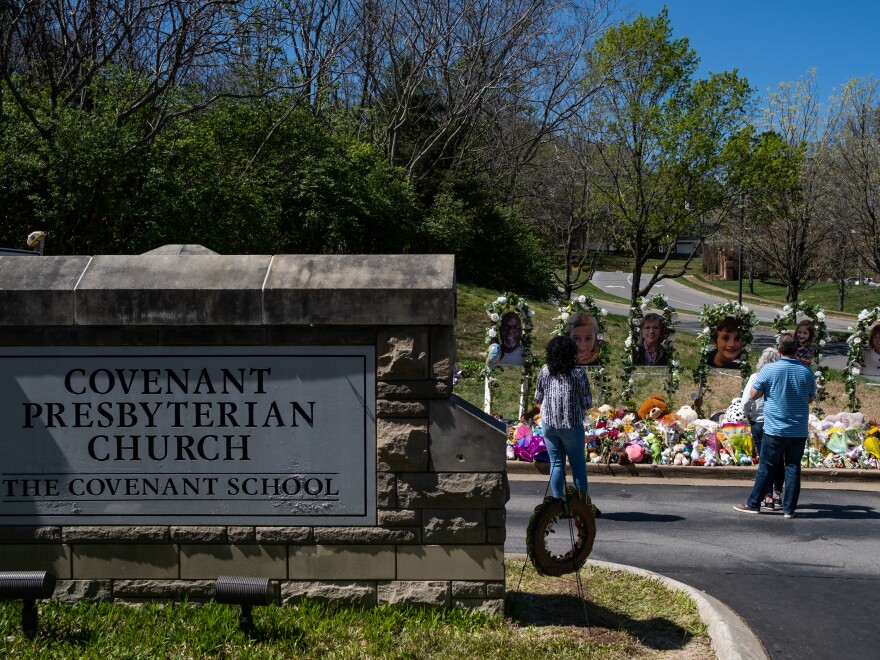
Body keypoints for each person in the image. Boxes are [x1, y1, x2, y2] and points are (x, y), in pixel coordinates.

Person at [734, 333, 816, 519]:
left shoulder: (769, 370)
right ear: (797, 349)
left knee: (766, 467)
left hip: (775, 428)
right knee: (793, 467)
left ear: (779, 350)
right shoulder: (806, 371)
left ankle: (754, 503)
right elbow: (810, 398)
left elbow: (754, 394)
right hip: (798, 429)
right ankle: (789, 509)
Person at [534, 335, 592, 506]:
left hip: (549, 424)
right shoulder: (578, 373)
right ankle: (581, 505)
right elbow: (587, 402)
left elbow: (538, 396)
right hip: (572, 425)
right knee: (578, 466)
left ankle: (558, 503)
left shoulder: (545, 370)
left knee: (556, 464)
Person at [742, 343, 785, 511]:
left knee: (765, 462)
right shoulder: (780, 378)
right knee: (779, 460)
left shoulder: (756, 377)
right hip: (776, 422)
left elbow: (746, 400)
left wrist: (747, 414)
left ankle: (766, 496)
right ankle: (777, 495)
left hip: (759, 421)